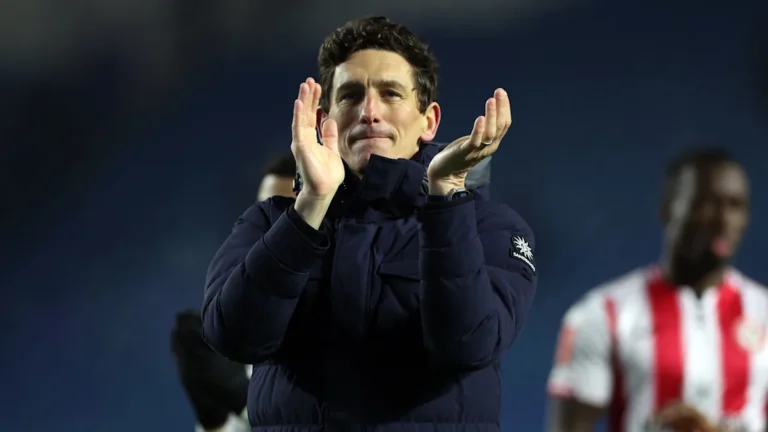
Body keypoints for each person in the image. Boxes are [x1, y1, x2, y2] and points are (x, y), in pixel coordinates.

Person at [201, 16, 537, 432]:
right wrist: (310, 207)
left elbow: (467, 345)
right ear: (325, 118)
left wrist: (446, 196)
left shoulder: (492, 227)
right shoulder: (269, 222)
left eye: (391, 94)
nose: (369, 112)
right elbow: (234, 337)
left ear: (428, 121)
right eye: (350, 95)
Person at [546, 148, 767, 432]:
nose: (723, 220)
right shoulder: (603, 313)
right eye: (706, 203)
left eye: (736, 205)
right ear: (668, 207)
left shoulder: (763, 312)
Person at [171, 153, 296, 432]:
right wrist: (212, 417)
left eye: (289, 212)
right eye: (265, 211)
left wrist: (247, 402)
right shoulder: (244, 328)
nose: (273, 227)